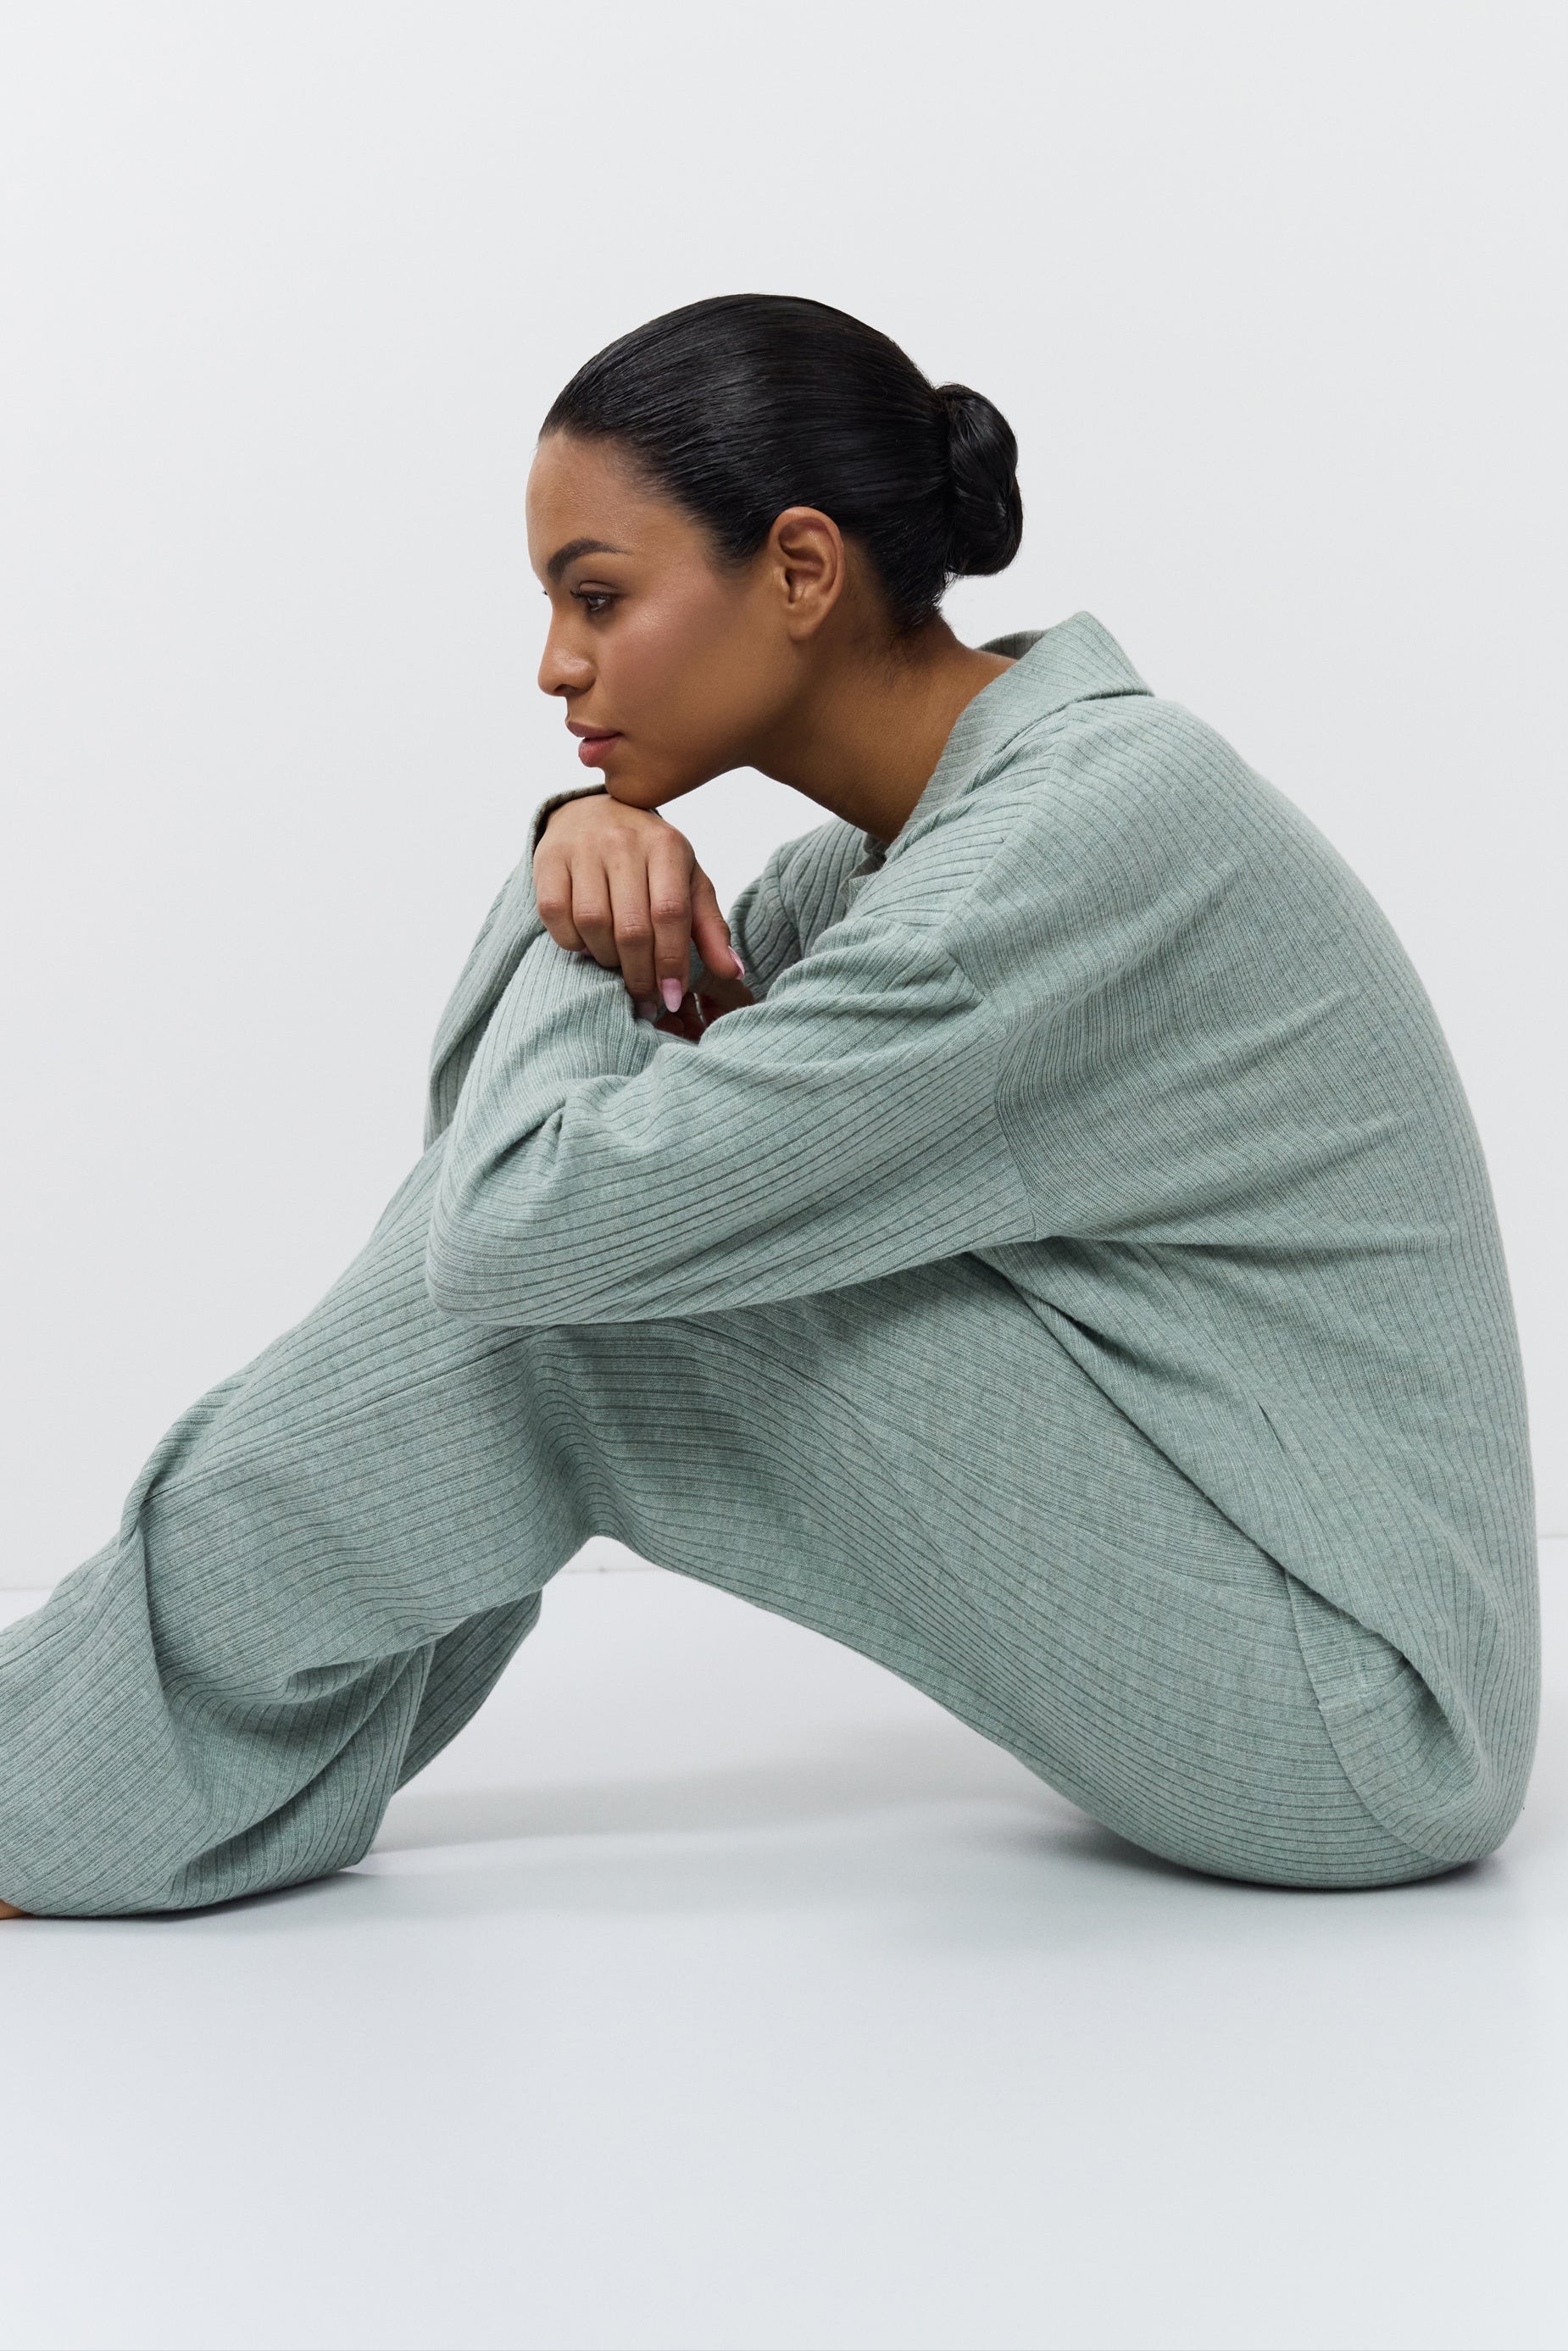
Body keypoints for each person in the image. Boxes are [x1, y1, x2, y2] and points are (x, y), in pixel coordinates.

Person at [0, 292, 1538, 1921]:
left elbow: (526, 1245)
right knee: (591, 1267)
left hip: (1361, 1713)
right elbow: (477, 1177)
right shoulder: (901, 861)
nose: (553, 662)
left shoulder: (1055, 857)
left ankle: (51, 1784)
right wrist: (576, 863)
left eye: (597, 594)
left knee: (598, 1319)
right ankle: (127, 1771)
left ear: (800, 572)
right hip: (1288, 1614)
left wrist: (565, 896)